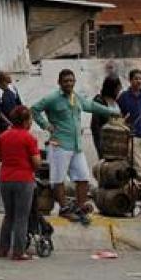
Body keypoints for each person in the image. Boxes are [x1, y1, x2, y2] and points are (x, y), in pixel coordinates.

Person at [31, 69, 119, 222]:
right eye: (65, 81)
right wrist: (45, 125)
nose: (69, 83)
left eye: (71, 81)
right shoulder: (52, 98)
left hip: (76, 145)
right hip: (59, 144)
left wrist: (111, 112)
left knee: (83, 177)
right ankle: (64, 208)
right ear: (59, 82)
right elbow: (34, 109)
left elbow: (91, 106)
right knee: (58, 179)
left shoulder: (75, 97)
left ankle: (79, 206)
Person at [0, 105, 40, 260]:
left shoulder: (3, 136)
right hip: (23, 179)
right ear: (25, 121)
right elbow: (36, 162)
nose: (31, 122)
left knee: (9, 215)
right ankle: (18, 252)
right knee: (22, 217)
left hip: (5, 178)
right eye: (30, 119)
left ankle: (2, 249)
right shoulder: (29, 138)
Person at [117, 69, 141, 185]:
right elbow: (119, 116)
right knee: (138, 165)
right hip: (132, 136)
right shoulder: (123, 97)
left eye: (140, 78)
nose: (138, 81)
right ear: (130, 80)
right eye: (136, 79)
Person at [89, 75, 123, 157]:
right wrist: (99, 146)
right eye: (117, 89)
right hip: (105, 142)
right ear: (111, 88)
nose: (119, 91)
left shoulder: (116, 102)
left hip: (117, 142)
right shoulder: (99, 102)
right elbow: (95, 126)